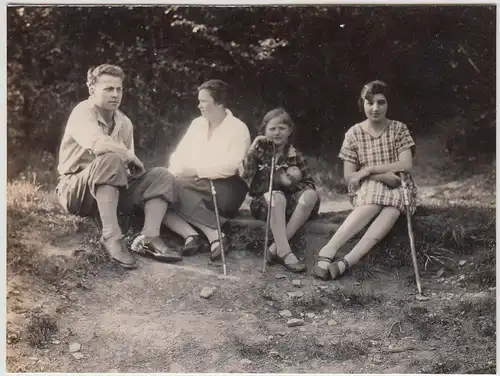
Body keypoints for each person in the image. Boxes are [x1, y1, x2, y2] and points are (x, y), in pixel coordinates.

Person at [55, 64, 182, 269]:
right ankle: (111, 236)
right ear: (92, 89)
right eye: (108, 89)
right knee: (110, 157)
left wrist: (132, 166)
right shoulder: (82, 112)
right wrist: (128, 154)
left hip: (109, 188)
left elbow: (128, 168)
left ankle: (148, 238)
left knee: (162, 175)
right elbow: (98, 145)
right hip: (75, 189)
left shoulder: (124, 122)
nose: (115, 94)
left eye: (119, 89)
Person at [313, 80, 417, 280]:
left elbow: (405, 164)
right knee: (374, 200)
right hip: (367, 188)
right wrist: (378, 176)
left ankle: (348, 260)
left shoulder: (398, 129)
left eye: (381, 102)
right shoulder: (353, 133)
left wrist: (369, 169)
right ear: (362, 104)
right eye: (370, 102)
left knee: (394, 207)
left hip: (399, 184)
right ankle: (329, 249)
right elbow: (350, 176)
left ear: (388, 104)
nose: (375, 108)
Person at [163, 79, 251, 261]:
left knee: (176, 189)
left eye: (204, 101)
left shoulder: (238, 128)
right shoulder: (197, 124)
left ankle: (214, 235)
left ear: (219, 103)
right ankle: (193, 236)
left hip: (227, 188)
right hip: (194, 186)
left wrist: (196, 171)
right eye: (199, 101)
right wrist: (170, 175)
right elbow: (180, 154)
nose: (199, 105)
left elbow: (231, 166)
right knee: (160, 192)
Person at [242, 108, 320, 272]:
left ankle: (275, 247)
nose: (277, 133)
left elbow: (309, 184)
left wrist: (290, 182)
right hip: (266, 204)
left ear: (289, 130)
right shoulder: (259, 154)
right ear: (264, 131)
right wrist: (253, 148)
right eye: (272, 129)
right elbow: (246, 176)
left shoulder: (294, 155)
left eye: (282, 128)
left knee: (311, 195)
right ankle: (285, 253)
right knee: (277, 197)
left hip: (290, 206)